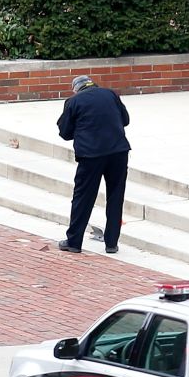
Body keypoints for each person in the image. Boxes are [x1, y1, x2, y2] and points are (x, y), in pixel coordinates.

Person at [56, 75, 130, 255]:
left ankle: (74, 242)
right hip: (118, 151)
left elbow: (65, 132)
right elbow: (125, 120)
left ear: (76, 89)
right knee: (115, 196)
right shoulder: (110, 94)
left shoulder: (73, 101)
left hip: (91, 155)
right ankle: (111, 243)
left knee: (83, 197)